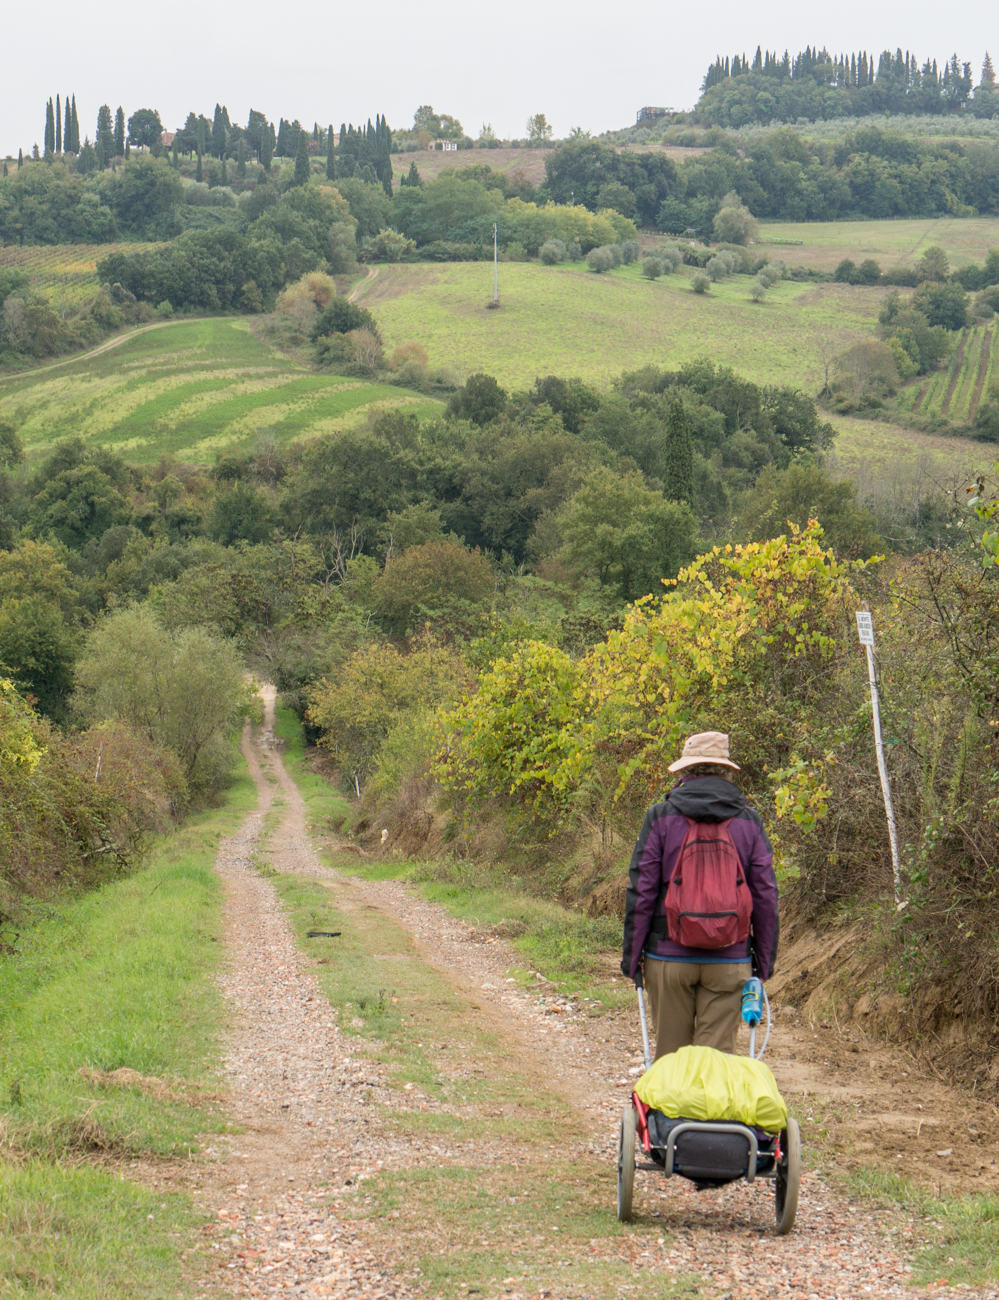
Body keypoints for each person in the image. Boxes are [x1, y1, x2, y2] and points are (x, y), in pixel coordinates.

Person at [621, 731, 778, 1060]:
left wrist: (632, 959)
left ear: (685, 771)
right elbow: (765, 896)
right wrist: (763, 964)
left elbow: (642, 890)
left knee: (669, 1063)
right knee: (715, 1065)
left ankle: (668, 1113)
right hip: (731, 959)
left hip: (668, 957)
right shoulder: (749, 822)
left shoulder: (661, 817)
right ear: (726, 770)